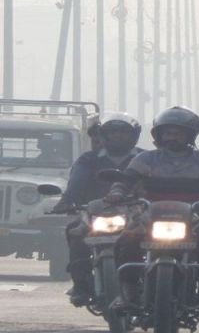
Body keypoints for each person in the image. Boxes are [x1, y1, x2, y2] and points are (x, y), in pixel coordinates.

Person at [104, 106, 199, 309]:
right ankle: (127, 292)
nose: (172, 137)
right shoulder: (144, 159)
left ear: (190, 136)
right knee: (126, 242)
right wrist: (117, 193)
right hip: (149, 215)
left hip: (195, 216)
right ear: (159, 135)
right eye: (168, 133)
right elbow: (125, 180)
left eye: (178, 133)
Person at [51, 113, 144, 306]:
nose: (117, 136)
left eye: (123, 132)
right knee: (75, 232)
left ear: (134, 135)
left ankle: (156, 280)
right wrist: (66, 202)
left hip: (136, 214)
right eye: (112, 132)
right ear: (103, 135)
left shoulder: (145, 158)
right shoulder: (88, 159)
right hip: (95, 213)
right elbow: (76, 184)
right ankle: (81, 285)